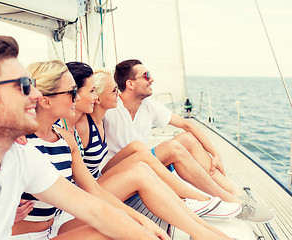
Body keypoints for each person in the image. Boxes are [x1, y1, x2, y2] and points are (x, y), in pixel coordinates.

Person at [0, 36, 164, 240]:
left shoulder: (19, 157)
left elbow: (94, 210)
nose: (35, 94)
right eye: (23, 86)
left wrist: (146, 230)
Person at [13, 60, 235, 240]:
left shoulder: (65, 139)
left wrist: (141, 221)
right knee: (120, 225)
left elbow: (95, 192)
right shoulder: (18, 144)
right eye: (73, 92)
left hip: (56, 226)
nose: (79, 97)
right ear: (45, 101)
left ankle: (206, 232)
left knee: (125, 224)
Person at [103, 59, 274, 223]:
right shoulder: (109, 107)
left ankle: (235, 193)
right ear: (130, 83)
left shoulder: (148, 106)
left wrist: (215, 154)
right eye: (146, 75)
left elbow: (187, 125)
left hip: (142, 162)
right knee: (172, 148)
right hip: (116, 172)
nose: (152, 79)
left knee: (187, 139)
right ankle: (228, 201)